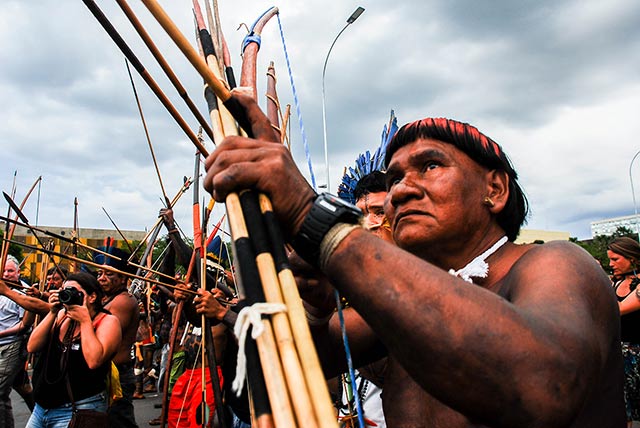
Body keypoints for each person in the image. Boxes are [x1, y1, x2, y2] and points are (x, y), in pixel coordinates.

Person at [202, 93, 626, 427]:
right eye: (395, 178)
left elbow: (544, 385)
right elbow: (293, 367)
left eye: (430, 166)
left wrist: (318, 223)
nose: (400, 191)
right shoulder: (411, 298)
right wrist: (312, 304)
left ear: (494, 190)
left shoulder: (555, 264)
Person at [25, 271, 121, 427]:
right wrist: (52, 312)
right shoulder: (62, 315)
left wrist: (84, 321)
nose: (68, 294)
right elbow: (32, 346)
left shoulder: (107, 321)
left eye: (74, 291)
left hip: (78, 409)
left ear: (92, 297)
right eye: (65, 290)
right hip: (41, 409)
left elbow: (94, 361)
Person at [94, 247, 140, 428]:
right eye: (99, 273)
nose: (101, 278)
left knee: (120, 422)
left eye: (108, 274)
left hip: (118, 373)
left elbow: (102, 330)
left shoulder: (123, 301)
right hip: (105, 372)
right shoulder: (106, 299)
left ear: (122, 278)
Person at [608, 237, 640, 427]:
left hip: (637, 355)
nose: (611, 264)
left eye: (616, 259)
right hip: (618, 356)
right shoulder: (616, 284)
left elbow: (617, 309)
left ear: (632, 259)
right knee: (621, 409)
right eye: (609, 260)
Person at [0, 255, 36, 424]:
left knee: (0, 392)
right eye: (3, 270)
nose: (6, 274)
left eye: (10, 271)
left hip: (12, 345)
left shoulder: (24, 292)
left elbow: (24, 325)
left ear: (18, 272)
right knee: (22, 387)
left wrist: (1, 334)